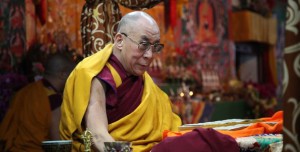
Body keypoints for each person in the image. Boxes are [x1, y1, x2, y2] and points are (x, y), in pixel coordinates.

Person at [60, 11, 182, 151]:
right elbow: (98, 136)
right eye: (143, 45)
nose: (149, 55)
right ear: (119, 41)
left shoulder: (144, 82)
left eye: (155, 47)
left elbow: (169, 128)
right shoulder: (94, 74)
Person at [0, 53, 76, 151]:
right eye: (73, 74)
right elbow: (58, 143)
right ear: (63, 74)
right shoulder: (53, 100)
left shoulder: (24, 92)